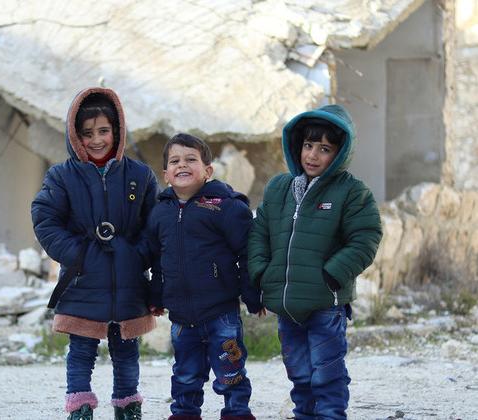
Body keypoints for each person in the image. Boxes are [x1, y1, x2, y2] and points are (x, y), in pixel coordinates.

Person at [248, 104, 383, 419]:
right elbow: (259, 233)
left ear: (340, 153)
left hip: (326, 304)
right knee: (299, 373)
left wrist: (331, 275)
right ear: (298, 145)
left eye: (324, 149)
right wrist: (261, 274)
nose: (313, 155)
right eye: (308, 145)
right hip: (286, 305)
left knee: (326, 373)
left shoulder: (352, 192)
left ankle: (332, 414)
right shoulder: (279, 188)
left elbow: (365, 238)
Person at [31, 87, 159, 420]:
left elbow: (154, 225)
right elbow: (45, 219)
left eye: (104, 131)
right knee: (81, 350)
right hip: (83, 279)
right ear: (75, 136)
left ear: (118, 131)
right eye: (87, 133)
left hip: (128, 281)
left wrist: (136, 256)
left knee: (127, 351)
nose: (97, 140)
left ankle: (128, 407)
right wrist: (79, 255)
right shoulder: (61, 176)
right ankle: (80, 408)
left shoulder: (140, 176)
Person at [140, 133, 265, 420]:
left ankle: (237, 412)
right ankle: (184, 412)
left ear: (208, 170)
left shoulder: (225, 206)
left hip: (221, 314)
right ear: (166, 174)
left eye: (190, 159)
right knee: (185, 374)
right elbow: (157, 260)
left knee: (230, 372)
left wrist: (252, 294)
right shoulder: (160, 213)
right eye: (175, 161)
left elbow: (248, 252)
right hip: (181, 318)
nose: (182, 165)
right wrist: (156, 295)